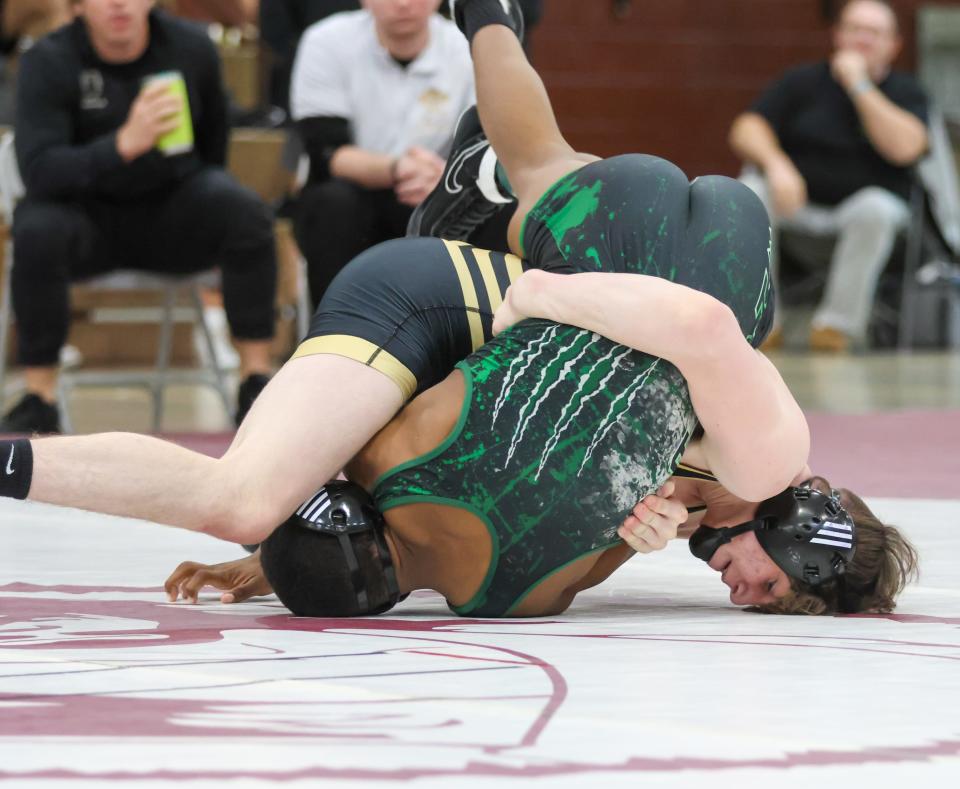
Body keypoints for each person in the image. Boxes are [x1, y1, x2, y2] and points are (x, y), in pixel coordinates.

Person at [0, 0, 916, 618]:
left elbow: (521, 480)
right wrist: (536, 291)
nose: (743, 598)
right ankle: (489, 103)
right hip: (514, 291)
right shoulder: (762, 458)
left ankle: (489, 42)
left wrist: (280, 552)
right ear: (806, 538)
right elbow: (702, 334)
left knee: (259, 499)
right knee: (246, 497)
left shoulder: (680, 510)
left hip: (492, 305)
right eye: (771, 590)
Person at [2, 0, 278, 433]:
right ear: (77, 5)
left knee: (243, 211)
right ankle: (40, 395)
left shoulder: (191, 48)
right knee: (35, 227)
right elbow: (39, 172)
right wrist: (122, 145)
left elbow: (213, 153)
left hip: (168, 213)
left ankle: (255, 379)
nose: (118, 3)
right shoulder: (48, 59)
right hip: (82, 217)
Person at [729, 0, 929, 352]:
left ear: (894, 45)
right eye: (855, 29)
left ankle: (835, 328)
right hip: (797, 213)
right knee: (751, 190)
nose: (863, 39)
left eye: (875, 32)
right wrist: (777, 164)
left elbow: (907, 148)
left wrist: (858, 85)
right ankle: (762, 318)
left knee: (876, 208)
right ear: (838, 35)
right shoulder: (802, 81)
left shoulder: (907, 92)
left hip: (866, 226)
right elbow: (746, 128)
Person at [289, 0, 474, 306]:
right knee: (334, 204)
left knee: (478, 208)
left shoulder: (469, 46)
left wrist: (445, 181)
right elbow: (327, 153)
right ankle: (332, 336)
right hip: (350, 191)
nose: (403, 4)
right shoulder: (326, 41)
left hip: (437, 190)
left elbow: (487, 146)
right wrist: (399, 168)